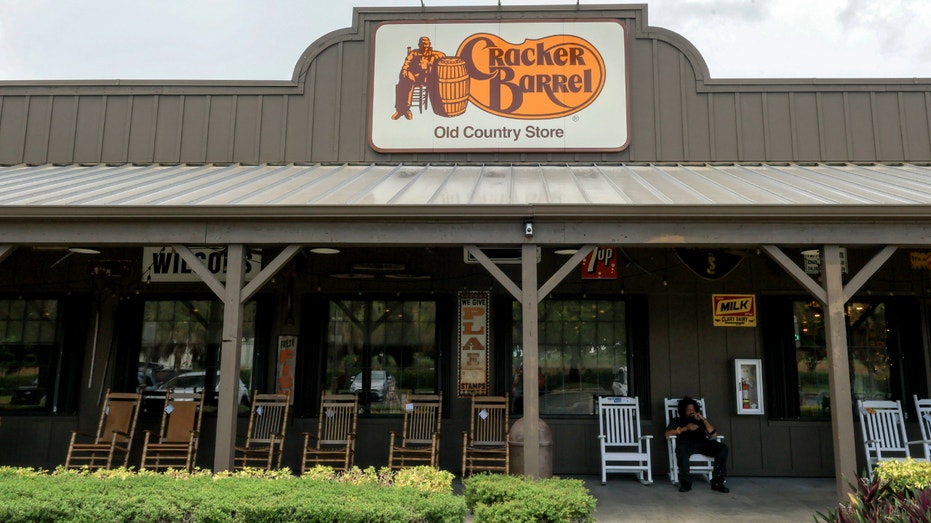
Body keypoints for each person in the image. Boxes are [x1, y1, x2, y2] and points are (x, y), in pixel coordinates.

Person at [664, 396, 730, 493]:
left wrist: (703, 419)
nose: (692, 411)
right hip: (686, 444)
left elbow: (713, 434)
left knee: (722, 448)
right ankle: (686, 483)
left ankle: (717, 482)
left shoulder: (699, 420)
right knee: (681, 450)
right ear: (683, 411)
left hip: (703, 443)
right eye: (688, 409)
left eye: (693, 409)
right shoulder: (677, 420)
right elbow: (667, 434)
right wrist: (685, 428)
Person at [391, 36, 445, 120]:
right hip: (413, 77)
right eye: (423, 44)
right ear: (419, 44)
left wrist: (433, 58)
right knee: (403, 84)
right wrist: (405, 70)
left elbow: (442, 55)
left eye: (426, 44)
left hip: (426, 79)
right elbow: (407, 63)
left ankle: (405, 109)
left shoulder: (432, 54)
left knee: (405, 84)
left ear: (429, 44)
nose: (425, 46)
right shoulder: (414, 53)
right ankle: (402, 110)